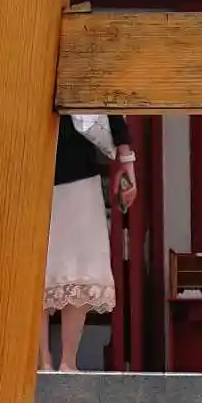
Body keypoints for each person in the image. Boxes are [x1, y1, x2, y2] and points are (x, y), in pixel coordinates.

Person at [42, 114, 137, 373]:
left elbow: (107, 101)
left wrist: (126, 159)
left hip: (53, 163)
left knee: (69, 264)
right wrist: (126, 160)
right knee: (60, 265)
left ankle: (54, 361)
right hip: (56, 164)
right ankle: (59, 362)